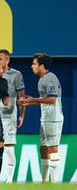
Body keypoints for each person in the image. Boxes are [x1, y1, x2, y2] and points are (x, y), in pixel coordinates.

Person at [18, 53, 63, 183]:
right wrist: (27, 102)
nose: (32, 66)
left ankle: (53, 182)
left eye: (34, 64)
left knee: (53, 146)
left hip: (53, 118)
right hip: (45, 118)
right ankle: (44, 180)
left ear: (42, 66)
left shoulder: (50, 78)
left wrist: (33, 99)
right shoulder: (42, 79)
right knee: (43, 147)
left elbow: (52, 99)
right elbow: (44, 100)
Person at [0, 49, 25, 183]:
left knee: (9, 147)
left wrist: (22, 115)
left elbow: (22, 97)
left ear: (7, 60)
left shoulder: (15, 75)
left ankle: (10, 180)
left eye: (0, 59)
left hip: (9, 117)